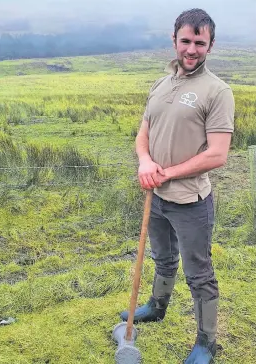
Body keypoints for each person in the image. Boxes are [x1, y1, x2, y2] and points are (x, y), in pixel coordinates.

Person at [120, 8, 235, 364]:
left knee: (199, 273)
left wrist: (166, 172)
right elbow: (145, 132)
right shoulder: (161, 83)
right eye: (185, 40)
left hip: (191, 202)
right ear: (174, 41)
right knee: (163, 258)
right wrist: (145, 161)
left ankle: (206, 343)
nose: (191, 49)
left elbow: (217, 154)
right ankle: (156, 307)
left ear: (210, 45)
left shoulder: (217, 91)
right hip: (155, 197)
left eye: (199, 43)